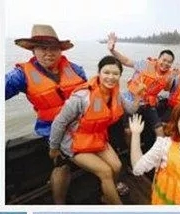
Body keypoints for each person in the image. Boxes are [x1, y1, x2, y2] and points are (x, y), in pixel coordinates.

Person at [6, 24, 87, 204]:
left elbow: (91, 96)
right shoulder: (21, 75)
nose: (49, 53)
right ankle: (59, 204)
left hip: (81, 124)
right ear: (33, 50)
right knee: (62, 164)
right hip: (52, 128)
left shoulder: (76, 70)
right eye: (42, 48)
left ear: (60, 50)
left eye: (54, 48)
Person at [49, 56, 138, 204]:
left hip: (97, 137)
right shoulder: (82, 97)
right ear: (99, 72)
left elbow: (131, 109)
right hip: (75, 142)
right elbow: (59, 122)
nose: (111, 77)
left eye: (115, 74)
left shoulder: (116, 94)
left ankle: (107, 194)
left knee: (117, 166)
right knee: (106, 172)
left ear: (120, 76)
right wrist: (53, 148)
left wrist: (138, 95)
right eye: (106, 72)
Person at [107, 32, 177, 141]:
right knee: (129, 131)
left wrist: (172, 78)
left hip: (148, 104)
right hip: (131, 99)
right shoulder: (145, 64)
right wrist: (112, 50)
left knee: (160, 130)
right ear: (158, 59)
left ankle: (159, 154)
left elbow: (167, 88)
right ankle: (131, 153)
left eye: (169, 62)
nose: (166, 64)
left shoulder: (169, 74)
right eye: (164, 60)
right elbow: (126, 61)